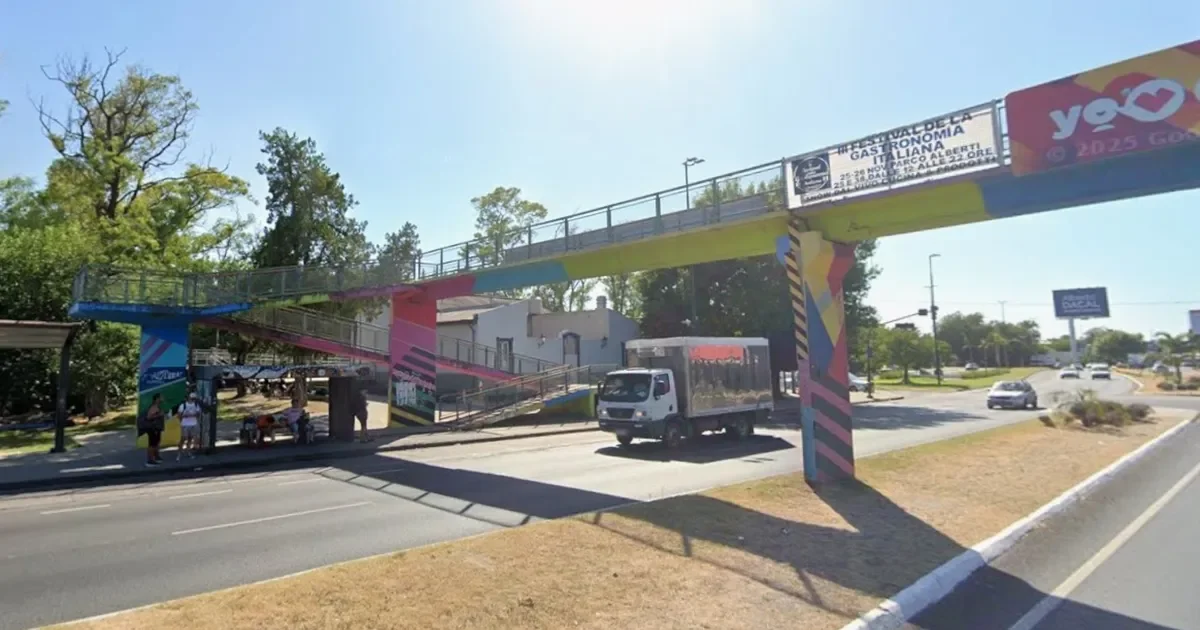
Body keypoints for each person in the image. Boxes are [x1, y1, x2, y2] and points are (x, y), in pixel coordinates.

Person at [138, 393, 166, 467]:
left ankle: (155, 457)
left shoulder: (157, 407)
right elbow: (149, 417)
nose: (163, 398)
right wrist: (159, 415)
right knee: (152, 444)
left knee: (156, 443)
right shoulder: (154, 407)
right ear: (157, 399)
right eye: (161, 397)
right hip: (153, 428)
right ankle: (150, 461)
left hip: (156, 428)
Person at [175, 392, 203, 461]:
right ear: (188, 398)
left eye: (194, 398)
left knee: (190, 439)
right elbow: (178, 415)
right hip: (185, 424)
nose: (193, 399)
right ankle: (179, 454)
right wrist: (185, 416)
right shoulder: (183, 405)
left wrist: (196, 414)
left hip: (193, 424)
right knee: (183, 439)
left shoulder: (196, 405)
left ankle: (189, 452)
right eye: (192, 398)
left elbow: (198, 414)